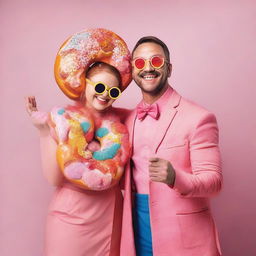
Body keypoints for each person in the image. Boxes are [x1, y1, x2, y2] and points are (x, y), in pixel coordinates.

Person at [120, 36, 223, 256]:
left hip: (182, 238)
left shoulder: (199, 118)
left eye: (156, 61)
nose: (148, 68)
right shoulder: (127, 120)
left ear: (169, 68)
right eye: (140, 63)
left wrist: (175, 177)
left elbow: (214, 182)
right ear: (132, 71)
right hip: (135, 230)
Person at [25, 62, 130, 256]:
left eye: (113, 91)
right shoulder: (63, 121)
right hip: (70, 218)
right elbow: (53, 179)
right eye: (99, 87)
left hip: (109, 216)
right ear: (84, 84)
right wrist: (43, 131)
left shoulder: (120, 124)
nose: (105, 94)